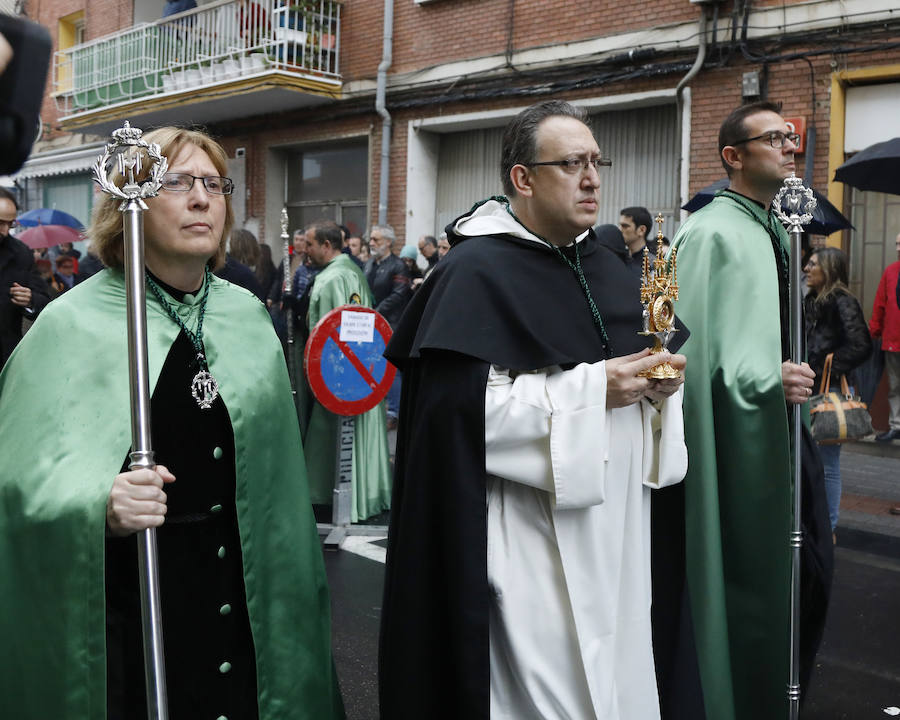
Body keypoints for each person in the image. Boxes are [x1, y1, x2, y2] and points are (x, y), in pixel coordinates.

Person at [0, 127, 342, 719]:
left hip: (244, 595)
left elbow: (275, 481)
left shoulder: (246, 315)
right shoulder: (72, 325)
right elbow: (17, 481)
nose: (202, 198)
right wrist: (97, 504)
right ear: (129, 198)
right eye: (179, 182)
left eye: (213, 183)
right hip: (137, 610)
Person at [379, 99, 689, 720]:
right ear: (523, 178)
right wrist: (591, 392)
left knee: (620, 672)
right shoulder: (474, 270)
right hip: (529, 532)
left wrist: (656, 390)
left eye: (596, 162)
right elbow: (458, 417)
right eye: (572, 163)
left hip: (621, 525)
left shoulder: (607, 265)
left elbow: (637, 371)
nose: (593, 178)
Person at [668, 100, 828, 720]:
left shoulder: (767, 226)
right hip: (741, 439)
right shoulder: (711, 232)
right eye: (774, 139)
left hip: (786, 435)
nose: (791, 148)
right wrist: (766, 380)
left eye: (791, 139)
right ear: (733, 157)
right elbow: (692, 349)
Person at [302, 220, 392, 521]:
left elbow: (328, 339)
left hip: (337, 376)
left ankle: (335, 499)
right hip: (362, 375)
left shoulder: (330, 280)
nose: (305, 249)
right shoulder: (354, 272)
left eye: (310, 244)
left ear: (327, 246)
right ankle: (364, 495)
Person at [804, 247, 871, 531]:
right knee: (809, 460)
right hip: (808, 389)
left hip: (828, 391)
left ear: (829, 269)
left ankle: (827, 528)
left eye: (813, 263)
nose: (806, 267)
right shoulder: (811, 301)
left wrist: (826, 366)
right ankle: (812, 524)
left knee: (828, 463)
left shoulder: (842, 301)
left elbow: (861, 345)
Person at [0, 186, 49, 370]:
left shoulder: (21, 253)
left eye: (10, 224)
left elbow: (43, 300)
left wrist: (30, 300)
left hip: (6, 357)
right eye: (0, 223)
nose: (5, 231)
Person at [869, 232, 900, 442]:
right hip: (893, 339)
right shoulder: (890, 271)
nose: (898, 247)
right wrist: (875, 330)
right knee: (895, 384)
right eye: (897, 243)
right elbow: (881, 302)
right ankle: (896, 424)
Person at [619, 206, 656, 276]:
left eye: (625, 226)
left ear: (641, 230)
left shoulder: (652, 264)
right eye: (620, 225)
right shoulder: (620, 258)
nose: (620, 230)